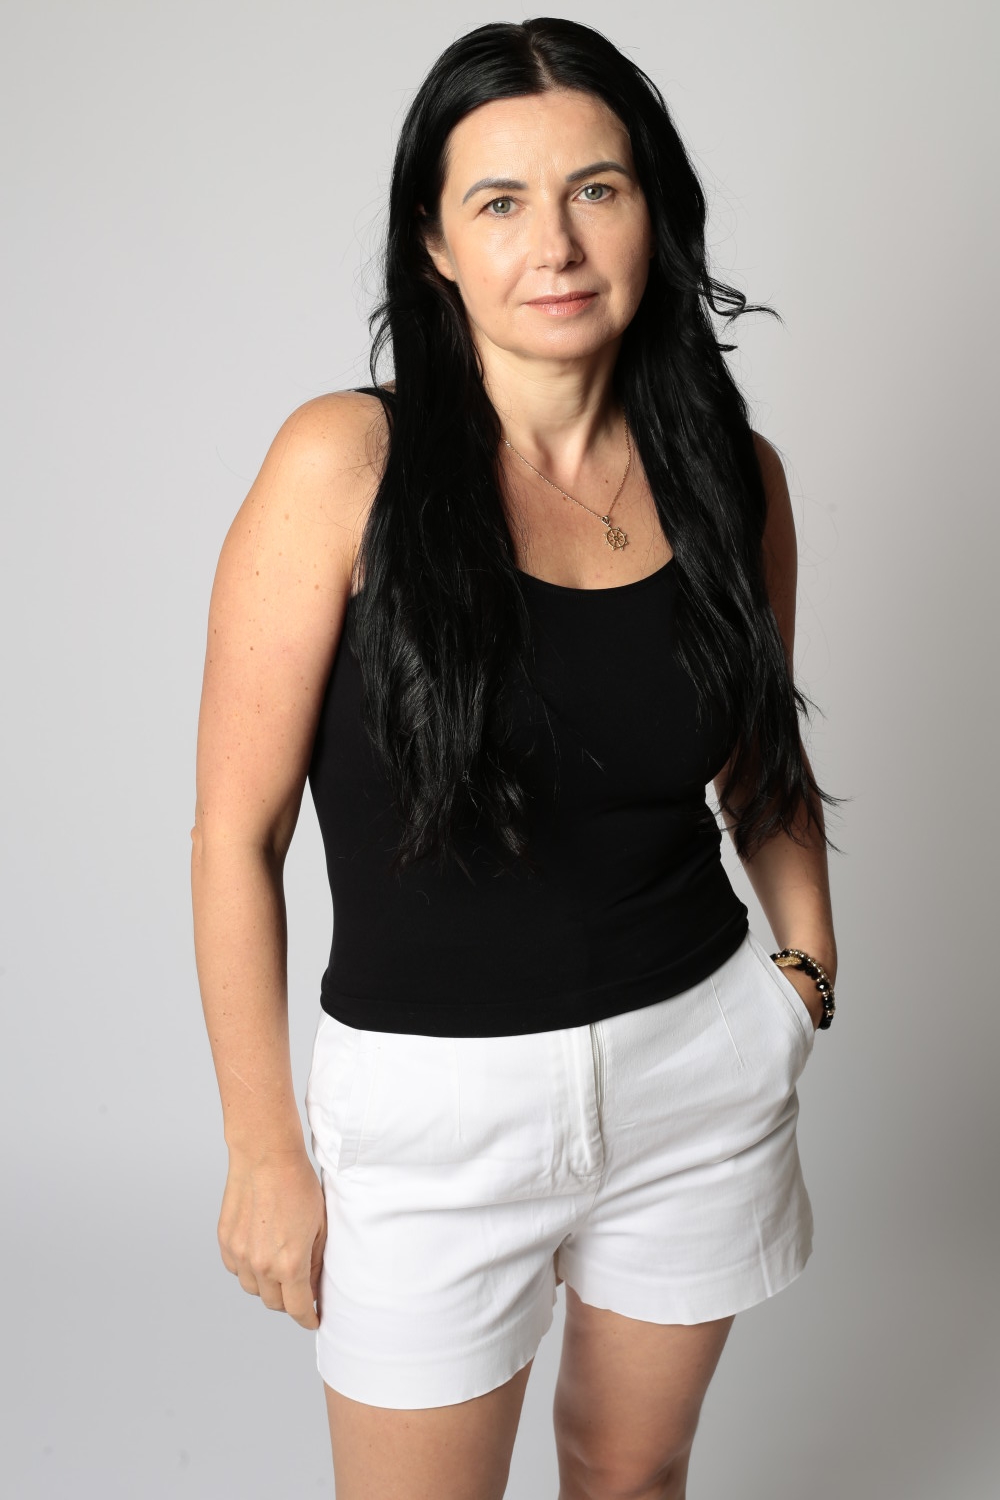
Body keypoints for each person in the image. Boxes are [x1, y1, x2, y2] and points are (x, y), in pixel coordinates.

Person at [191, 17, 840, 1499]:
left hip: (697, 1076)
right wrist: (263, 1149)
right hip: (433, 1117)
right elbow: (235, 832)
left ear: (654, 211)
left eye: (596, 189)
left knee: (634, 1473)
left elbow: (763, 757)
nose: (555, 244)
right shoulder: (341, 467)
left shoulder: (731, 475)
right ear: (435, 243)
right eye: (500, 202)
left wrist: (805, 974)